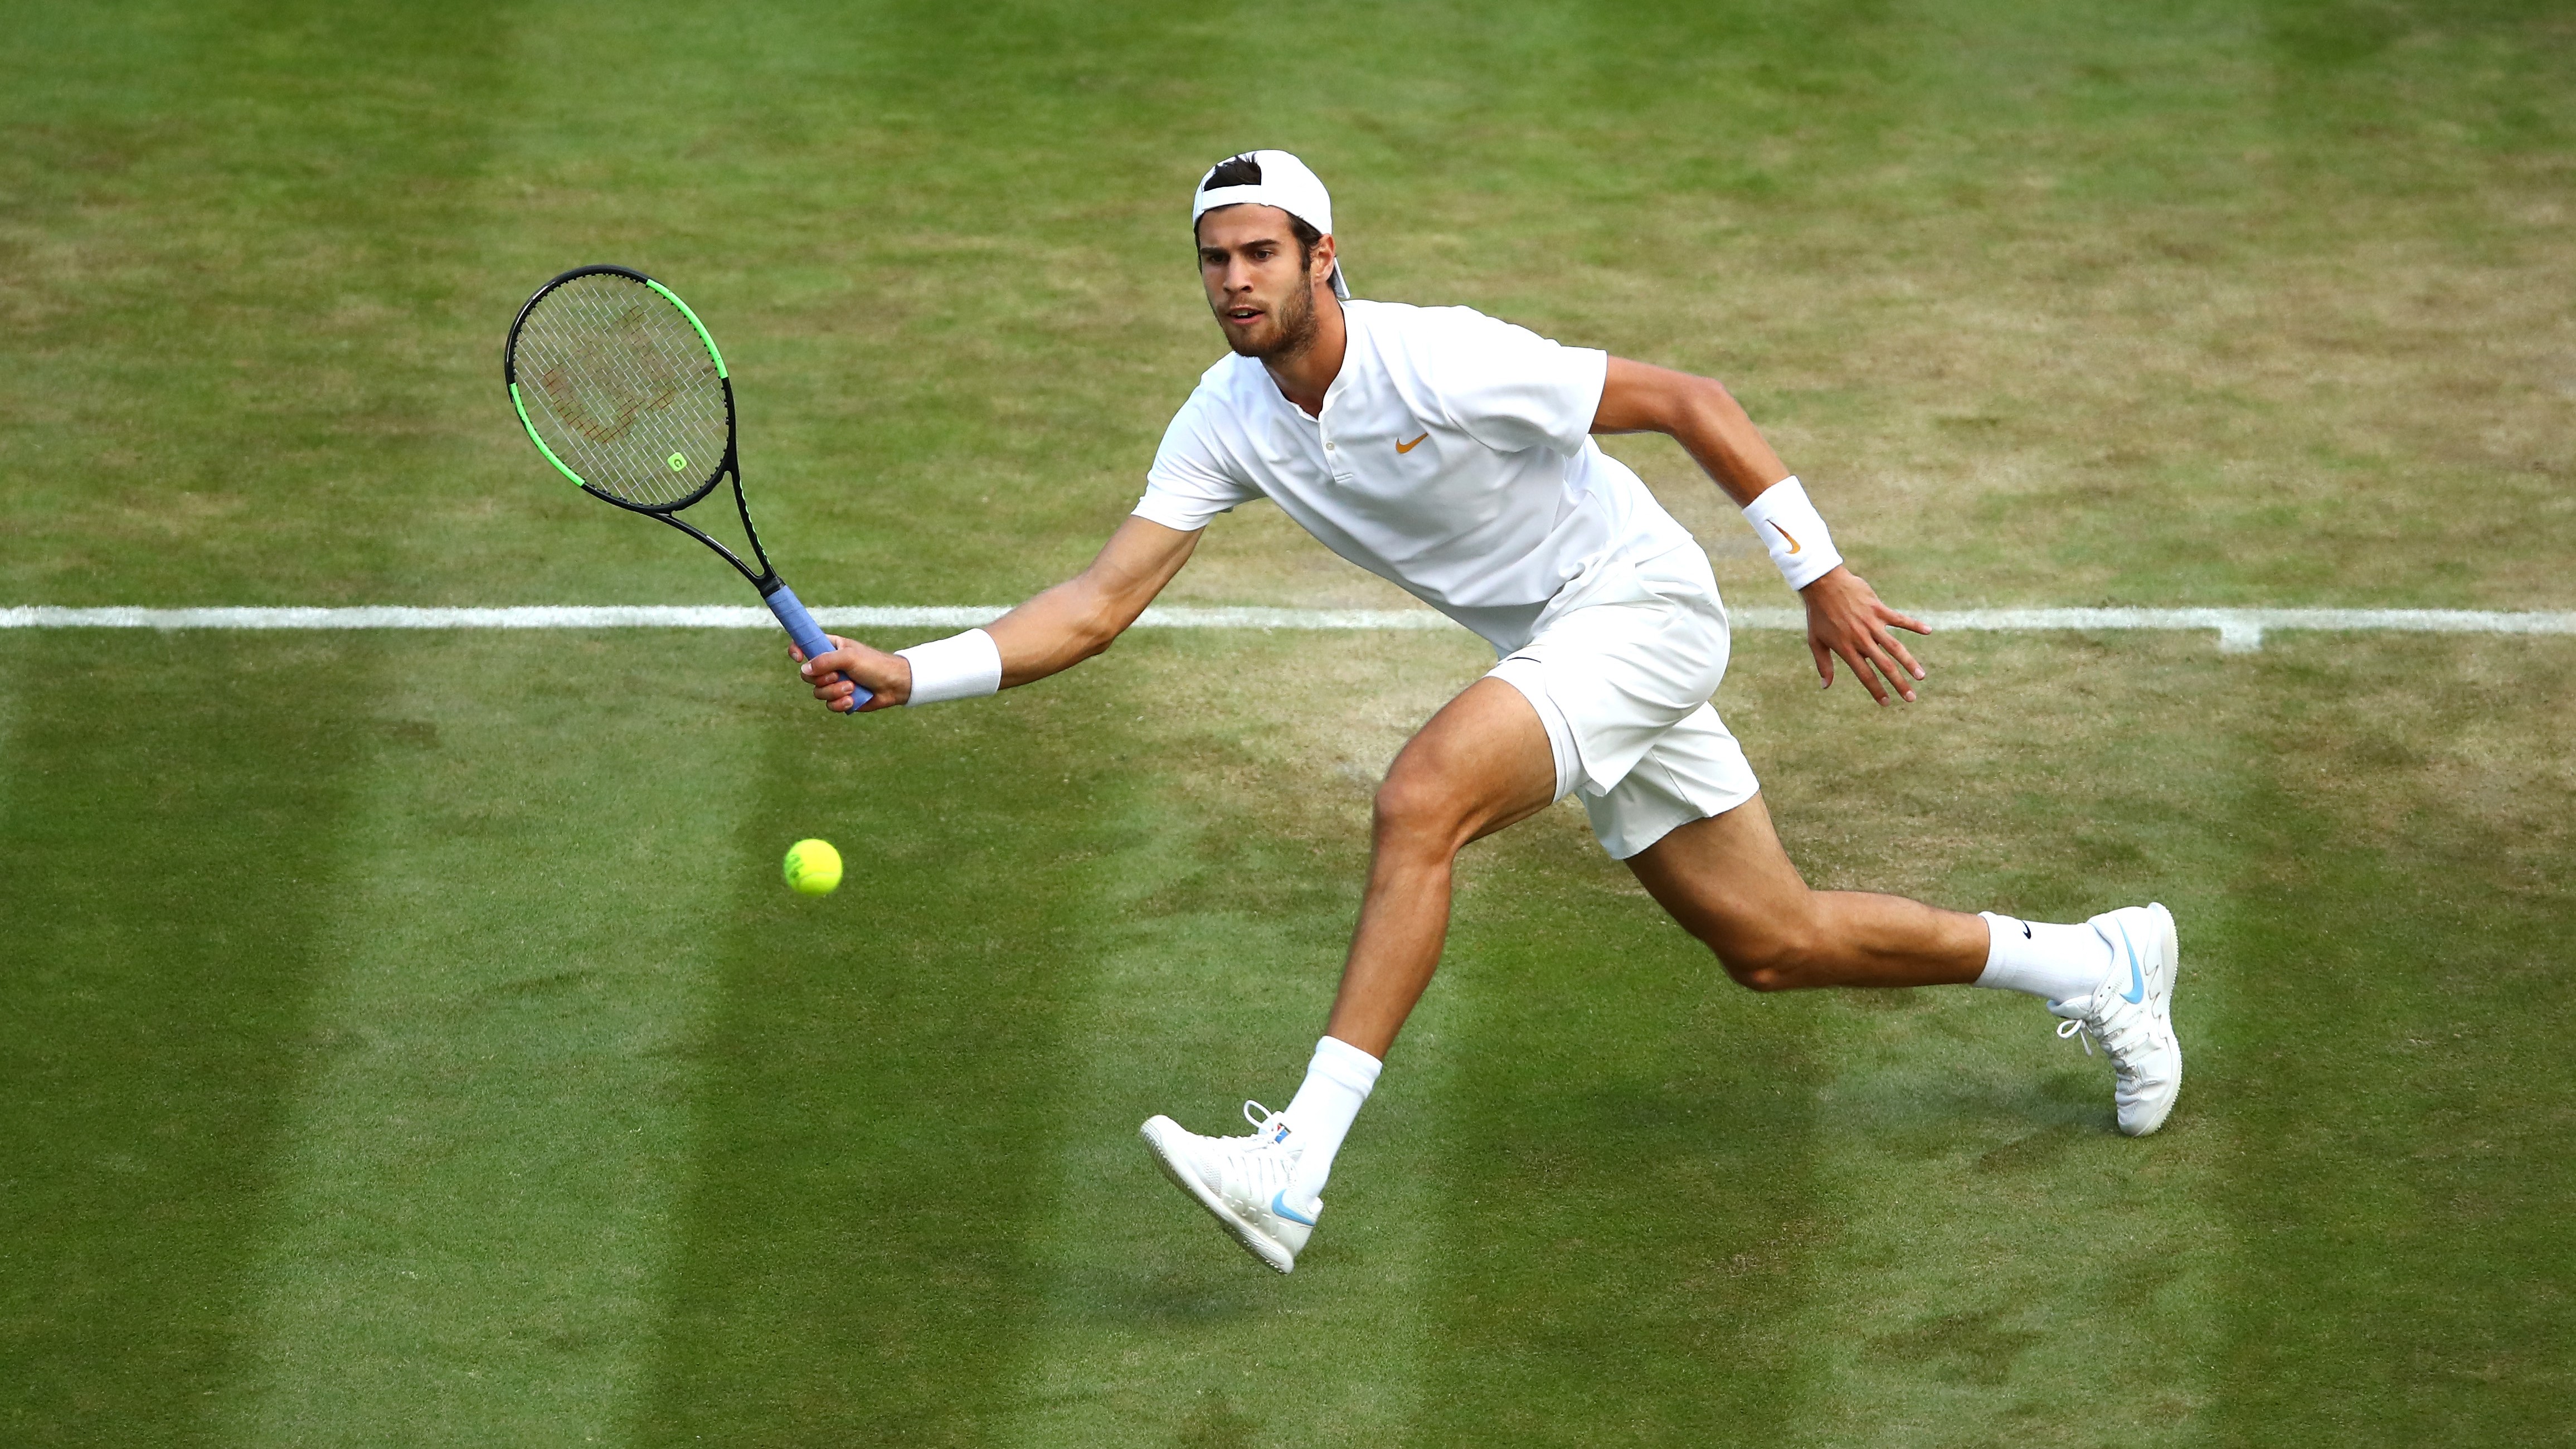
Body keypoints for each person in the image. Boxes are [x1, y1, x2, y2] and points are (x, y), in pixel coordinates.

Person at [796, 150, 2182, 1275]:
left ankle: (1293, 1167)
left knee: (1421, 796)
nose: (1233, 280)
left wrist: (1817, 575)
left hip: (1636, 607)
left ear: (1324, 258)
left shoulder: (1440, 359)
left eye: (1261, 252)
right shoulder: (1224, 417)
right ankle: (2095, 964)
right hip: (1562, 644)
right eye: (1214, 259)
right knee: (1772, 941)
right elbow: (1096, 605)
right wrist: (916, 669)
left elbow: (1686, 401)